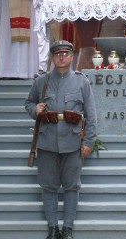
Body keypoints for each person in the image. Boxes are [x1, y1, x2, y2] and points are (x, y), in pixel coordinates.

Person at [25, 40, 97, 239]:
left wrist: (88, 142)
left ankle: (67, 229)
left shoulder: (82, 81)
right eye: (58, 54)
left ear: (72, 57)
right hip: (47, 140)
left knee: (71, 186)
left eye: (66, 54)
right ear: (52, 57)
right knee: (48, 186)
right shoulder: (42, 81)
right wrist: (35, 110)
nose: (62, 57)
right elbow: (29, 103)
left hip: (73, 142)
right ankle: (52, 228)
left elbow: (91, 114)